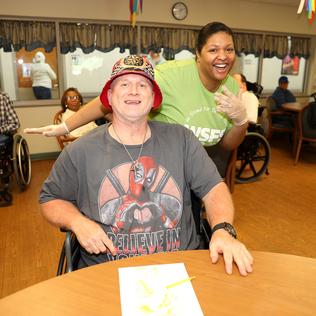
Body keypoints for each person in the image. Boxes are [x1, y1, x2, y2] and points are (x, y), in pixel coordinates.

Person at [39, 55, 253, 275]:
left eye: (142, 85)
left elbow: (214, 188)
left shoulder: (182, 140)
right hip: (106, 272)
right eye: (124, 84)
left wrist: (223, 229)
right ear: (110, 97)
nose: (134, 91)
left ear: (153, 99)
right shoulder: (80, 150)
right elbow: (50, 198)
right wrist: (76, 221)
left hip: (181, 266)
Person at [25, 22, 248, 177]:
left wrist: (241, 120)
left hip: (206, 162)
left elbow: (227, 143)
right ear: (198, 53)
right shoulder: (170, 75)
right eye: (213, 50)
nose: (223, 56)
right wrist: (65, 126)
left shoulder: (231, 87)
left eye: (229, 49)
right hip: (163, 160)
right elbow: (114, 98)